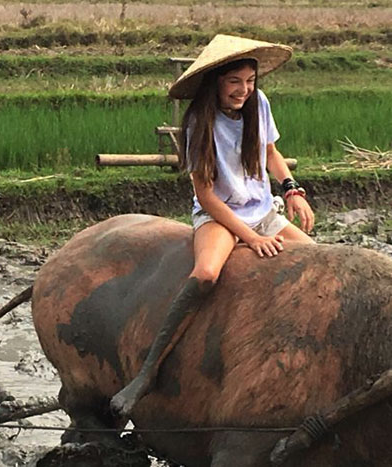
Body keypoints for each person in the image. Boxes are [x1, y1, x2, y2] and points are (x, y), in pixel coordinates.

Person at [110, 34, 315, 416]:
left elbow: (271, 153)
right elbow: (206, 196)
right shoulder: (198, 123)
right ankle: (147, 372)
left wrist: (291, 190)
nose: (244, 90)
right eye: (235, 81)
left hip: (263, 210)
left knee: (315, 263)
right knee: (205, 273)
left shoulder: (260, 105)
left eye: (250, 81)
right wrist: (250, 237)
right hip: (219, 214)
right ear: (217, 81)